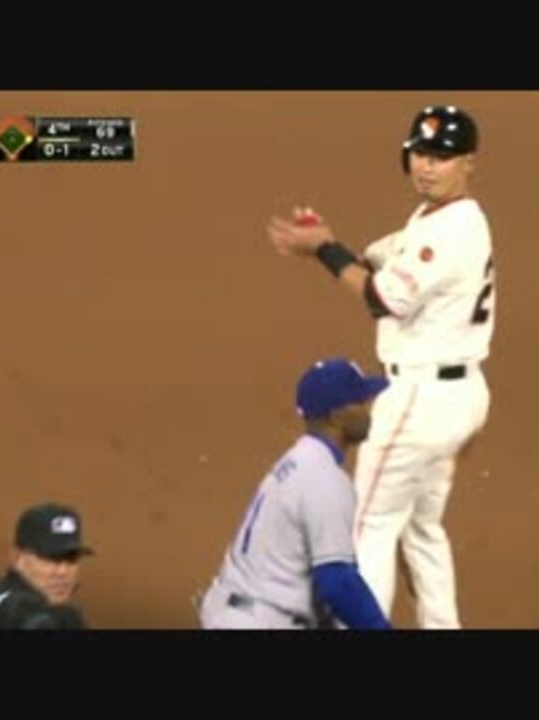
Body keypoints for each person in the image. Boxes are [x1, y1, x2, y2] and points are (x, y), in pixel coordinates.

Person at [266, 104, 495, 629]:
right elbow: (375, 264)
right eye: (420, 153)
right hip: (458, 396)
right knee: (422, 529)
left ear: (469, 163)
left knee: (369, 526)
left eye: (441, 156)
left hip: (420, 402)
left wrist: (323, 248)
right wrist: (326, 245)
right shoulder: (451, 218)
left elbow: (382, 299)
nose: (427, 166)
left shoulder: (446, 233)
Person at [197, 358, 393, 630]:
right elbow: (337, 583)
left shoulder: (299, 461)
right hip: (260, 619)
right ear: (336, 416)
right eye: (360, 402)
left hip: (240, 610)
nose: (369, 409)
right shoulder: (325, 480)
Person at [0, 502, 95, 629]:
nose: (62, 572)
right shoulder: (3, 603)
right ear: (17, 558)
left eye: (71, 559)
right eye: (50, 558)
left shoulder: (66, 616)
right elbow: (16, 614)